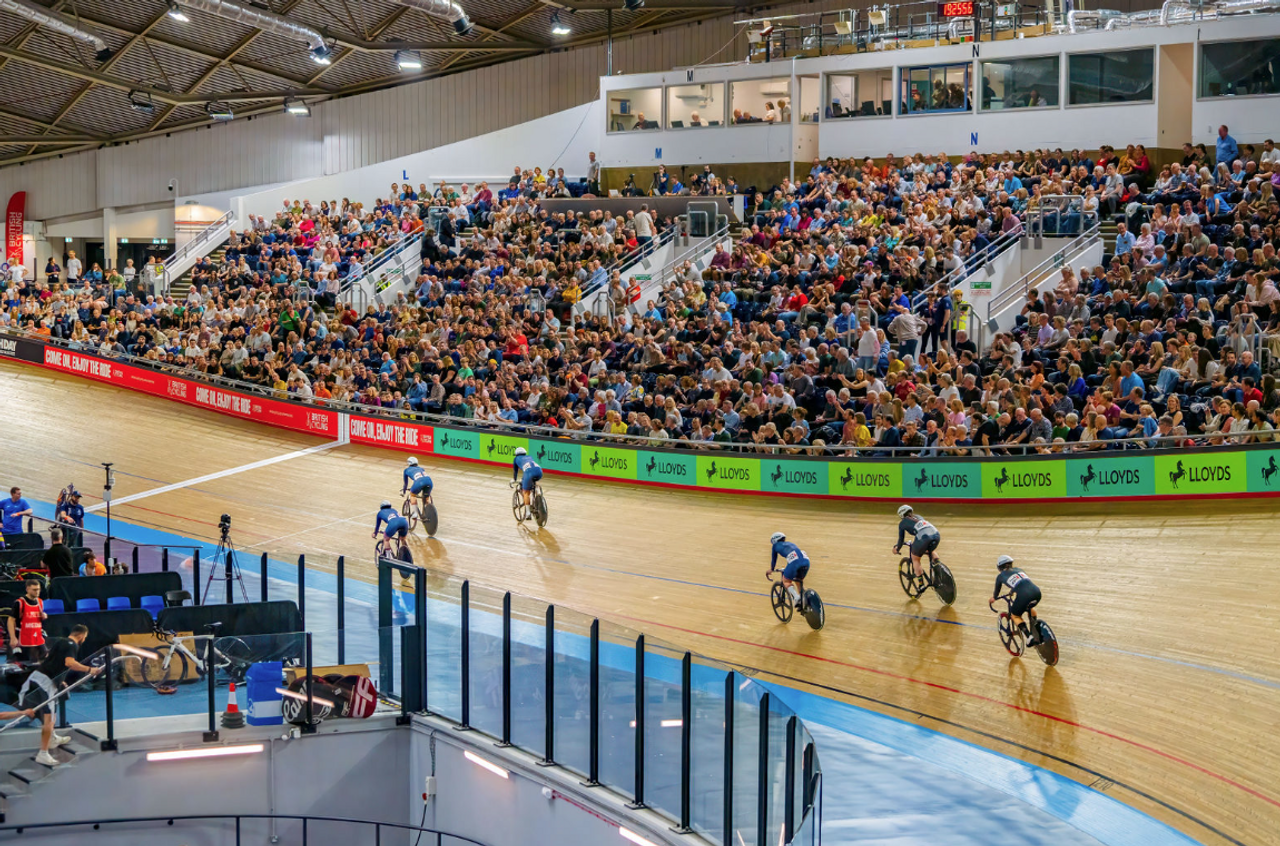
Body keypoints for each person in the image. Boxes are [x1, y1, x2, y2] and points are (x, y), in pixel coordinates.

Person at [20, 623, 102, 767]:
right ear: (82, 636)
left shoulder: (61, 641)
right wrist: (90, 669)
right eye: (85, 638)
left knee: (53, 711)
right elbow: (69, 663)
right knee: (49, 718)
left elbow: (56, 663)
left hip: (43, 678)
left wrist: (61, 681)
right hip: (45, 682)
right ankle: (43, 753)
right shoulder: (72, 645)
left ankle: (52, 738)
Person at [990, 555, 1044, 647]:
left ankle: (1029, 636)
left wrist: (994, 598)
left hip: (1024, 596)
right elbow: (1021, 583)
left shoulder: (1000, 576)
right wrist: (1012, 591)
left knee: (1015, 615)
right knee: (1030, 608)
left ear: (999, 567)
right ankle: (1036, 631)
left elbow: (997, 591)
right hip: (1037, 592)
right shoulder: (1019, 570)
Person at [892, 504, 940, 579]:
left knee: (915, 558)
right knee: (930, 551)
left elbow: (901, 540)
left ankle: (921, 584)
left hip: (923, 537)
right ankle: (939, 568)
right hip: (936, 534)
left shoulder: (902, 523)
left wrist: (897, 548)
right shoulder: (919, 517)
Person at [767, 531, 811, 611]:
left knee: (786, 581)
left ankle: (796, 598)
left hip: (794, 563)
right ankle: (806, 602)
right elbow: (793, 556)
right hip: (806, 561)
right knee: (799, 581)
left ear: (774, 540)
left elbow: (774, 559)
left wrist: (771, 569)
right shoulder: (790, 544)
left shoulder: (775, 546)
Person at [6, 578, 47, 662]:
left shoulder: (40, 602)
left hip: (37, 636)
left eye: (38, 589)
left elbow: (38, 618)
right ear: (27, 589)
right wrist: (13, 637)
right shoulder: (20, 603)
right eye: (34, 590)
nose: (37, 592)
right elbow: (11, 620)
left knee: (43, 658)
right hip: (23, 637)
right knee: (23, 662)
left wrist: (44, 616)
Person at [512, 447, 543, 517]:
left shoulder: (516, 459)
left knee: (526, 492)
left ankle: (528, 513)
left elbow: (515, 471)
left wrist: (514, 479)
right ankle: (538, 492)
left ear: (516, 454)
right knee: (534, 480)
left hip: (528, 473)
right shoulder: (529, 456)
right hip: (539, 471)